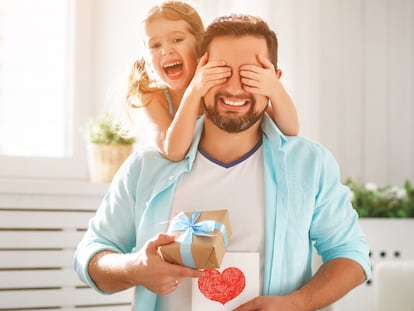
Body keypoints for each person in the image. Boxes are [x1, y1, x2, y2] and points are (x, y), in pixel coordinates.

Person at [74, 13, 371, 311]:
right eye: (220, 72)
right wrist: (135, 267)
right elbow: (91, 255)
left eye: (251, 74)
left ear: (274, 81)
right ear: (199, 76)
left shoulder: (309, 164)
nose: (234, 88)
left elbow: (351, 255)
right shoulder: (145, 168)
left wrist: (296, 304)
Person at [125, 1, 299, 161]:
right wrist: (194, 92)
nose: (166, 50)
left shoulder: (216, 86)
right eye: (155, 45)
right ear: (146, 57)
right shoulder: (151, 95)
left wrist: (275, 90)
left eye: (177, 40)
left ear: (199, 46)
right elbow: (174, 151)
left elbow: (290, 129)